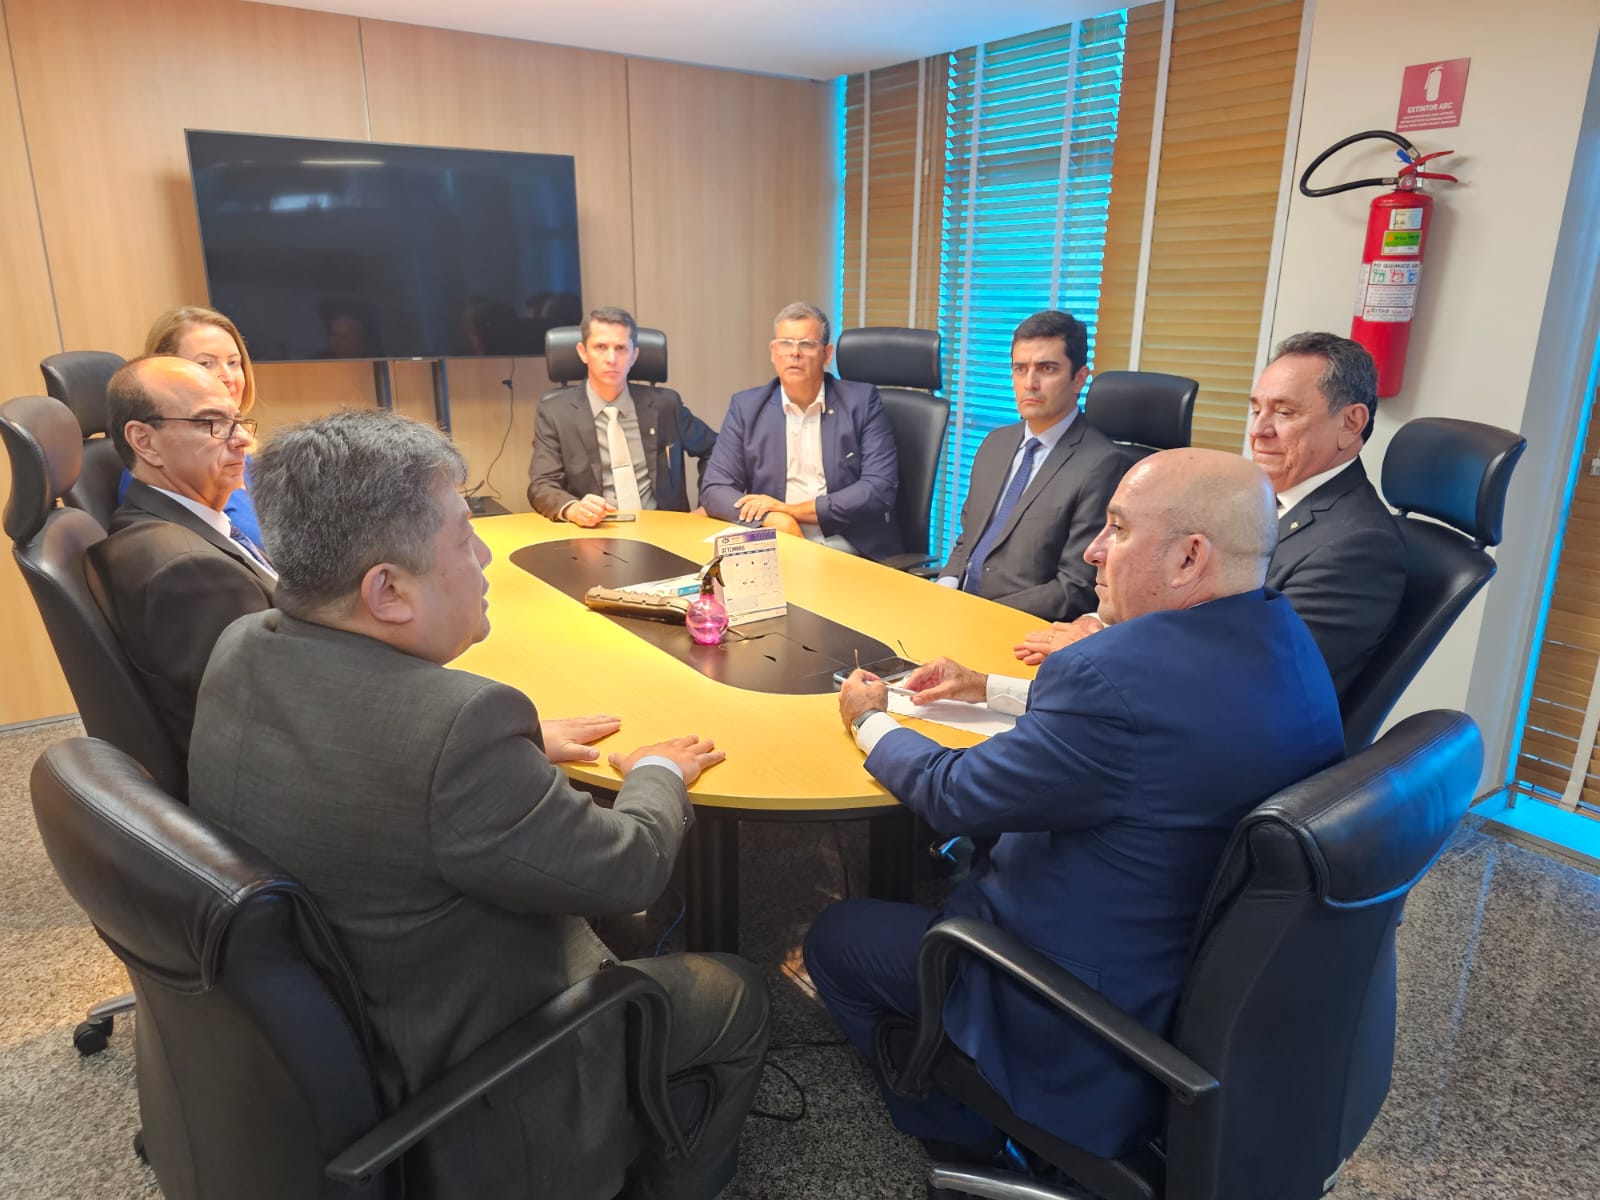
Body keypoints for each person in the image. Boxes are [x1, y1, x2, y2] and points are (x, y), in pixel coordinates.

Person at [188, 409, 770, 1200]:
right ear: (388, 591)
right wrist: (657, 773)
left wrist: (516, 746)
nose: (484, 557)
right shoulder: (458, 729)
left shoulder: (240, 643)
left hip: (343, 1040)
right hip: (486, 1087)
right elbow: (631, 869)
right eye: (465, 537)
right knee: (736, 990)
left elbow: (376, 755)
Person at [805, 448, 1345, 1163]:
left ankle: (959, 1128)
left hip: (1071, 1005)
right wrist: (989, 687)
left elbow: (953, 793)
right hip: (1191, 980)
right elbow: (1163, 722)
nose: (1093, 550)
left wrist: (870, 719)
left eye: (1118, 529)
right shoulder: (1284, 636)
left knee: (835, 937)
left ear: (1189, 558)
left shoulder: (1109, 674)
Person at [1014, 332, 1407, 698]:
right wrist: (1097, 622)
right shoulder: (1248, 499)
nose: (1259, 431)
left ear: (1351, 423)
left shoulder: (1361, 545)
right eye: (1256, 410)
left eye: (1284, 413)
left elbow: (1256, 677)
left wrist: (1098, 643)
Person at [86, 356, 276, 758]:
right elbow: (271, 716)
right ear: (144, 442)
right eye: (212, 423)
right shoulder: (190, 571)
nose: (242, 438)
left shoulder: (180, 524)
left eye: (237, 420)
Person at [935, 310, 1126, 620]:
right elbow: (967, 540)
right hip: (958, 613)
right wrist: (943, 588)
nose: (1030, 383)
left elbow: (1075, 586)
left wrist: (980, 615)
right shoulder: (994, 444)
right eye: (1020, 369)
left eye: (1046, 369)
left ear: (1079, 378)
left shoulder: (1102, 465)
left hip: (1020, 627)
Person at [698, 302, 902, 559]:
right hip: (778, 540)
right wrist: (775, 519)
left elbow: (878, 488)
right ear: (773, 352)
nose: (794, 353)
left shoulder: (861, 402)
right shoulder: (747, 407)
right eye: (785, 343)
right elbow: (715, 489)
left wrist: (790, 511)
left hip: (848, 545)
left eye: (806, 344)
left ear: (826, 354)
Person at [528, 306, 717, 525]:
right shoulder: (555, 412)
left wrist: (709, 503)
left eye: (621, 348)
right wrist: (573, 508)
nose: (611, 358)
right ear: (583, 352)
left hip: (665, 531)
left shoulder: (666, 406)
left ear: (634, 355)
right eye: (600, 347)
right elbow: (541, 484)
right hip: (595, 532)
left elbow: (717, 449)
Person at [138, 305, 264, 543]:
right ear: (164, 373)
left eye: (234, 362)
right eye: (206, 364)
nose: (227, 377)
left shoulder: (238, 449)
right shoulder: (169, 466)